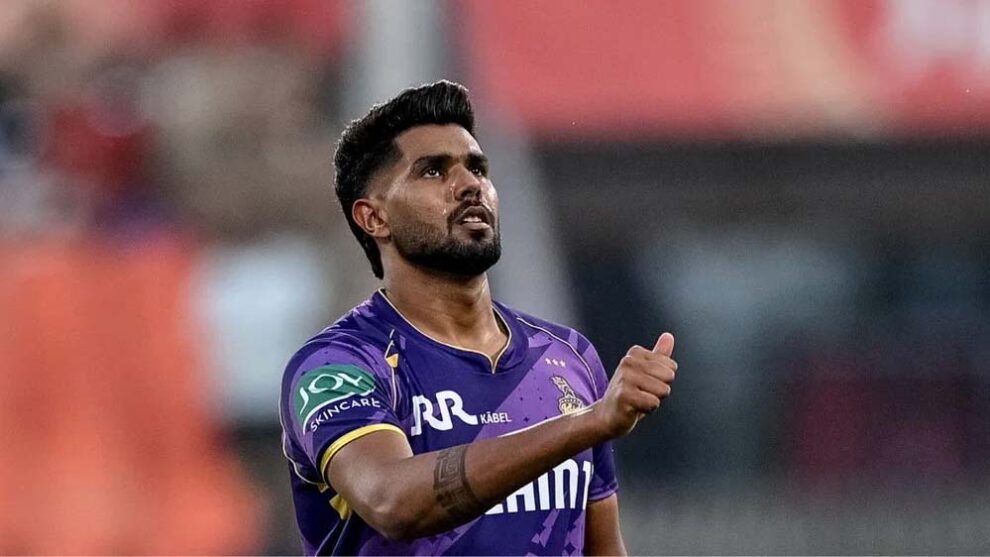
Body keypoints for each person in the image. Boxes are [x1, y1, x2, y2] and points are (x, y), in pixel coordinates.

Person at [278, 80, 678, 556]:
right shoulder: (338, 366)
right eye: (433, 171)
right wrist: (587, 423)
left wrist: (591, 421)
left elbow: (603, 549)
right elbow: (392, 502)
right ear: (374, 218)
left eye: (477, 168)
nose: (470, 185)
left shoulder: (566, 357)